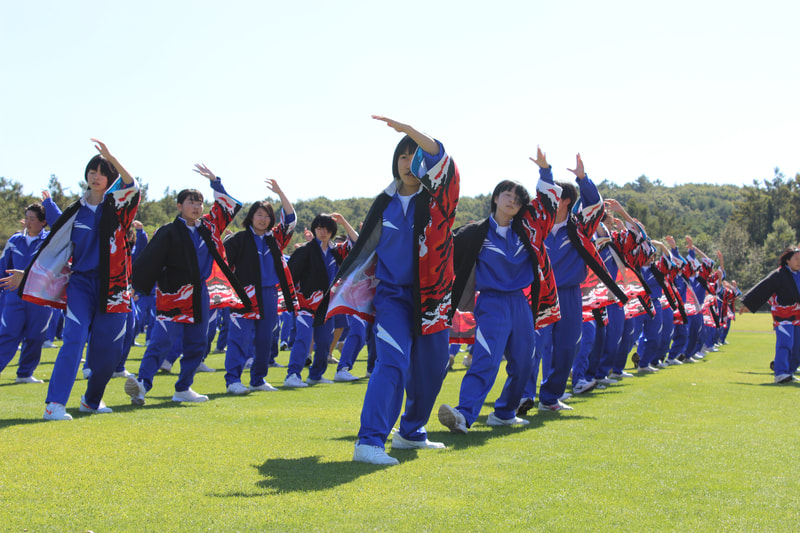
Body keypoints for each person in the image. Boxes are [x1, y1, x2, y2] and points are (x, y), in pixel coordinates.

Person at [319, 115, 459, 465]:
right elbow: (365, 250)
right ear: (394, 162)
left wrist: (410, 131)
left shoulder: (440, 199)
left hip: (434, 300)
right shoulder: (384, 203)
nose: (409, 163)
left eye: (417, 156)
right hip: (393, 296)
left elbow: (443, 157)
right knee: (392, 363)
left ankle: (411, 433)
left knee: (433, 368)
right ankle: (369, 442)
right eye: (402, 155)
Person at [1, 139, 140, 420]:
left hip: (114, 288)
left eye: (103, 171)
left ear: (110, 178)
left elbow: (133, 185)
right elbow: (53, 248)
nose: (95, 175)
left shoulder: (119, 207)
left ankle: (91, 400)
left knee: (108, 351)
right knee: (73, 340)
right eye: (92, 170)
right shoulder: (74, 212)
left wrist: (111, 156)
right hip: (81, 284)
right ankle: (54, 405)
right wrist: (26, 274)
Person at [437, 147, 561, 433]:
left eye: (518, 199)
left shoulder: (527, 230)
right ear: (495, 197)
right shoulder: (475, 233)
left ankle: (504, 412)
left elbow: (549, 206)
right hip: (491, 303)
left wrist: (545, 171)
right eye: (507, 194)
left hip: (520, 303)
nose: (513, 200)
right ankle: (464, 415)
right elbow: (442, 252)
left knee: (525, 363)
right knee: (486, 359)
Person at [125, 164, 249, 405]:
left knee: (198, 344)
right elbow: (149, 261)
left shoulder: (209, 228)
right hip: (174, 294)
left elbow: (228, 206)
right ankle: (141, 384)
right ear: (180, 206)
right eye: (191, 202)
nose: (196, 206)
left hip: (202, 296)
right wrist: (137, 287)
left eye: (200, 203)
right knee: (162, 342)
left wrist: (215, 182)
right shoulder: (168, 231)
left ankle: (184, 387)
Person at [223, 179, 297, 394]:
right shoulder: (238, 239)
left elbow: (290, 219)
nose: (263, 219)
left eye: (267, 216)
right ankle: (233, 381)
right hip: (243, 296)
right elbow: (222, 265)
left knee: (266, 339)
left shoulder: (275, 239)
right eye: (259, 215)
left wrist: (281, 192)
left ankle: (258, 379)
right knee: (240, 338)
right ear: (251, 217)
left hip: (269, 294)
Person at [283, 212, 357, 387]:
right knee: (303, 338)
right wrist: (289, 301)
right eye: (319, 228)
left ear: (332, 231)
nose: (322, 232)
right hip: (305, 305)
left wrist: (344, 221)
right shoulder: (304, 251)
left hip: (326, 306)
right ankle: (292, 375)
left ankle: (316, 375)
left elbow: (356, 242)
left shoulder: (336, 251)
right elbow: (290, 277)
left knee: (324, 343)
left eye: (326, 228)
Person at [0, 203, 52, 383]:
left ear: (43, 222)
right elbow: (3, 267)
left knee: (35, 336)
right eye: (27, 218)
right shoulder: (14, 241)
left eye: (32, 219)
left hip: (40, 298)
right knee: (8, 334)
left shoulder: (49, 241)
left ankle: (24, 374)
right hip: (13, 296)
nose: (28, 222)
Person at [739, 247, 800, 383]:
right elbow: (763, 288)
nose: (799, 262)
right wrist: (748, 304)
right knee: (786, 342)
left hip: (798, 315)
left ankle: (789, 371)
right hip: (783, 315)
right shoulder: (779, 274)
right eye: (796, 259)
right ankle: (780, 373)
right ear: (787, 260)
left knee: (797, 346)